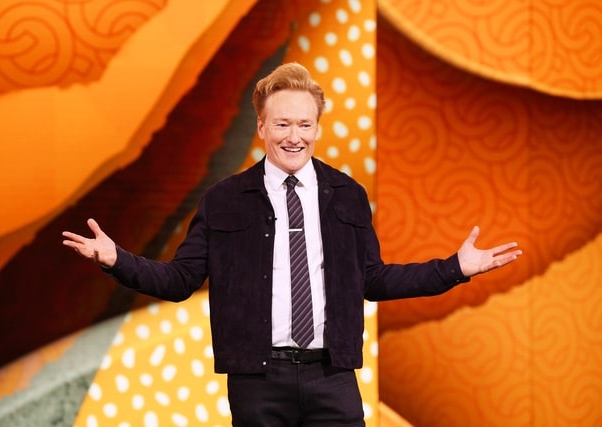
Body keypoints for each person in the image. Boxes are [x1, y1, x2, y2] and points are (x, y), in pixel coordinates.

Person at [62, 62, 521, 426]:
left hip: (332, 374)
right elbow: (180, 280)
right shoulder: (224, 199)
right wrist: (116, 260)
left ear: (317, 128)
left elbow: (374, 279)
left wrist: (454, 268)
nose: (294, 137)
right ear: (262, 127)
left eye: (304, 124)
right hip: (258, 380)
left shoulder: (347, 195)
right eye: (282, 124)